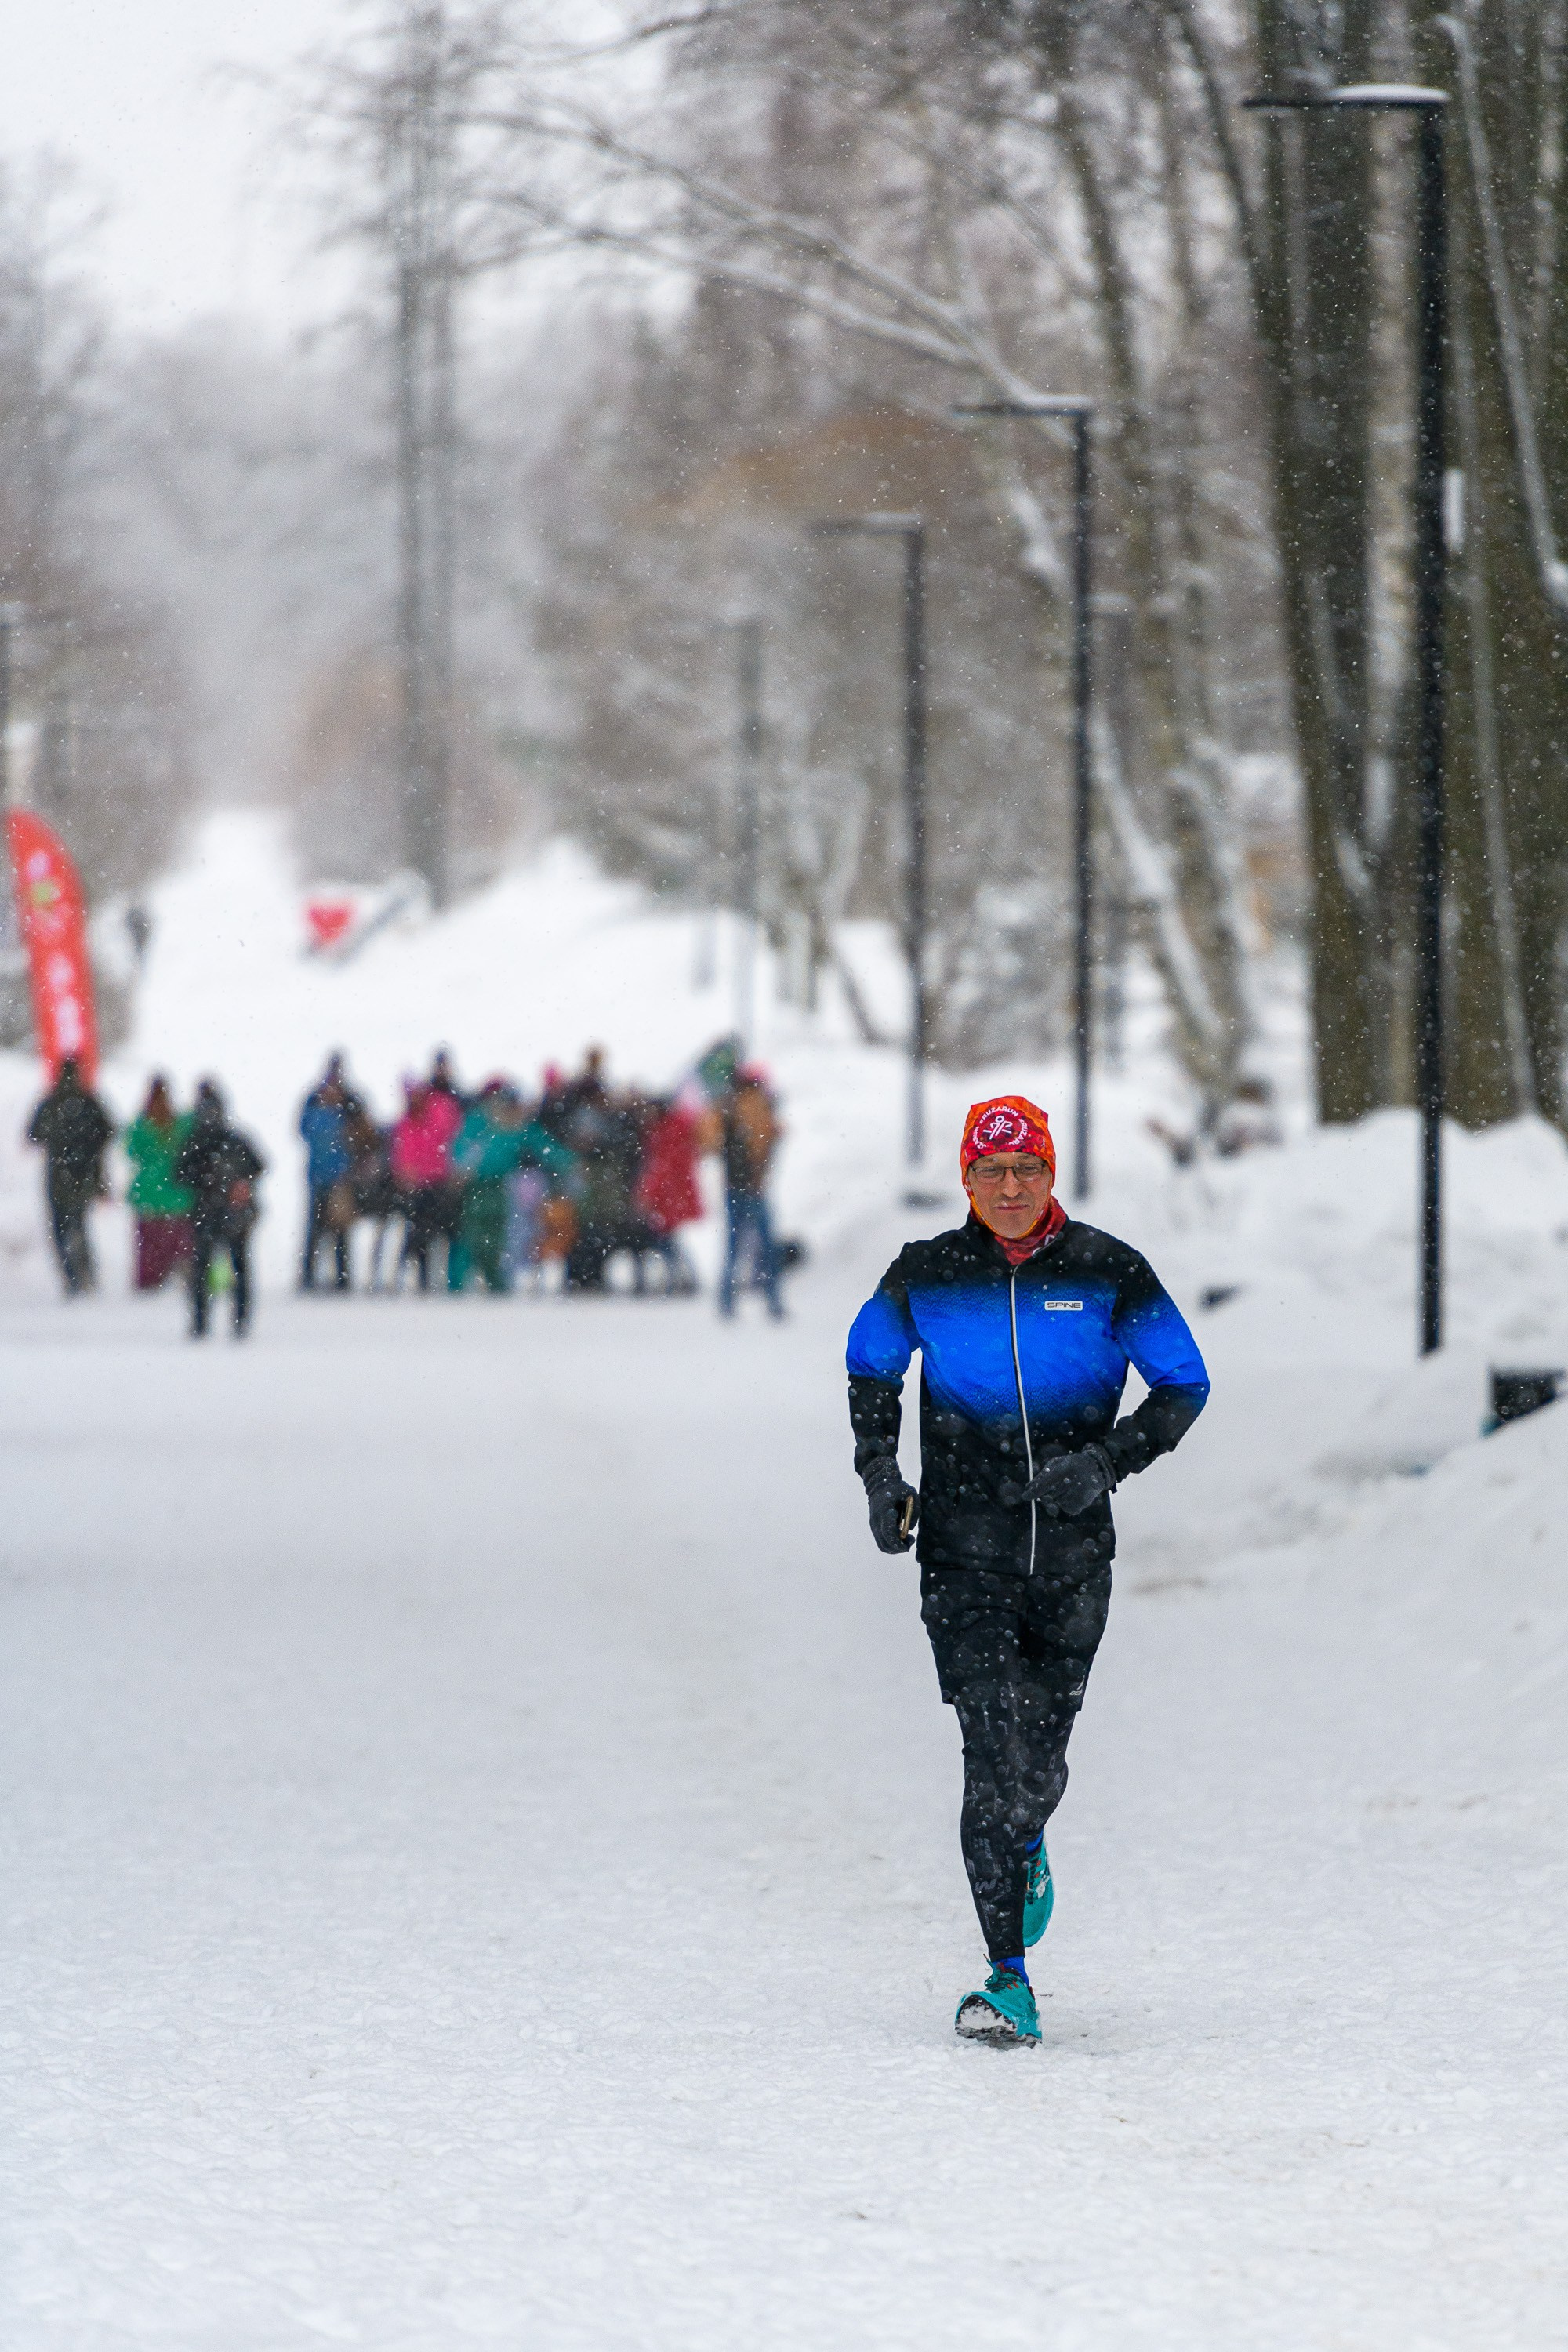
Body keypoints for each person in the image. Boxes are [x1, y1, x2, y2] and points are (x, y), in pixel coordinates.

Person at [845, 1094, 1210, 2049]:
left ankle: (1026, 1833)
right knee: (989, 1759)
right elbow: (869, 1366)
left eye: (1025, 1171)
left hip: (1073, 1557)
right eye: (989, 1172)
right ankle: (1006, 1977)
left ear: (1050, 1174)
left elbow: (1184, 1382)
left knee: (1036, 1768)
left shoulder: (1106, 1270)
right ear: (965, 1179)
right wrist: (881, 1474)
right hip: (962, 1557)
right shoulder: (926, 1273)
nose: (1008, 1190)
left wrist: (1106, 1463)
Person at [176, 1080, 266, 1339]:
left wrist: (233, 1185)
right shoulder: (229, 1139)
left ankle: (207, 1321)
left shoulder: (203, 1141)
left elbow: (181, 1173)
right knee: (232, 1267)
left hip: (216, 1211)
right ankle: (232, 1320)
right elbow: (258, 1166)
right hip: (217, 1212)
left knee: (210, 1268)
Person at [27, 1057, 114, 1296]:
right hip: (84, 1174)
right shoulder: (89, 1101)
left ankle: (71, 1277)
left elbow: (33, 1135)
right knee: (80, 1225)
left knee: (60, 1228)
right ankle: (86, 1273)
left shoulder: (51, 1102)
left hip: (57, 1175)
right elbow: (110, 1131)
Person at [718, 1067, 783, 1319]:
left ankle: (728, 1300)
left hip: (737, 1186)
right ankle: (771, 1299)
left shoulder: (729, 1108)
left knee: (735, 1247)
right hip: (752, 1188)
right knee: (764, 1247)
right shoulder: (755, 1107)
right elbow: (766, 1141)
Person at [390, 1079, 463, 1291]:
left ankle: (450, 1281)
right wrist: (405, 1173)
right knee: (421, 1235)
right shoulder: (408, 1121)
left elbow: (451, 1136)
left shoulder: (439, 1111)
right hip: (421, 1187)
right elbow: (402, 1153)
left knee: (448, 1233)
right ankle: (424, 1280)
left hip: (440, 1183)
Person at [124, 1076, 193, 1290]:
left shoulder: (141, 1126)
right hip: (178, 1194)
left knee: (150, 1246)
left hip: (149, 1194)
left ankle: (151, 1281)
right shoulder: (181, 1124)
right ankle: (186, 1277)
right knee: (181, 1243)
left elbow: (131, 1152)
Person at [632, 1094, 706, 1294]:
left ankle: (680, 1278)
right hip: (674, 1193)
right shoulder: (676, 1128)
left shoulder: (664, 1132)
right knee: (669, 1239)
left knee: (666, 1239)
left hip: (667, 1196)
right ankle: (685, 1277)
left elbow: (660, 1167)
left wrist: (646, 1192)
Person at [299, 1057, 356, 1292]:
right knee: (314, 1229)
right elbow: (303, 1130)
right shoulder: (314, 1103)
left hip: (340, 1179)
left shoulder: (351, 1104)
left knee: (340, 1230)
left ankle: (342, 1278)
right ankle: (309, 1276)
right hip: (318, 1177)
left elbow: (362, 1136)